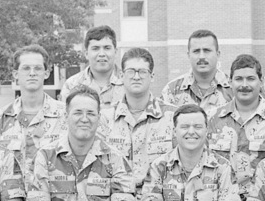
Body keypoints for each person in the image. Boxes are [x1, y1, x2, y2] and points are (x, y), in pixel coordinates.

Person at [101, 47, 173, 189]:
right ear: (121, 75)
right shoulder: (105, 118)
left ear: (152, 76)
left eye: (142, 72)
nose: (136, 76)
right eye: (130, 71)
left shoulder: (172, 117)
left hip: (159, 200)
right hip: (117, 200)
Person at [207, 54, 265, 189]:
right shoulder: (211, 118)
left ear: (261, 81)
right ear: (230, 81)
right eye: (239, 79)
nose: (244, 85)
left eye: (250, 79)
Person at [0, 46, 63, 173]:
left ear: (46, 73)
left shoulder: (65, 115)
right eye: (26, 68)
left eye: (38, 68)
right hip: (14, 192)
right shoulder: (0, 119)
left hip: (53, 191)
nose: (32, 73)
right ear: (15, 74)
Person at [162, 29, 231, 114]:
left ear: (218, 54)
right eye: (196, 51)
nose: (201, 56)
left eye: (207, 50)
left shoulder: (233, 89)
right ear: (188, 55)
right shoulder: (172, 90)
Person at [61, 25, 125, 111]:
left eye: (107, 48)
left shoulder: (129, 81)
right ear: (86, 53)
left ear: (115, 52)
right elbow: (64, 119)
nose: (101, 54)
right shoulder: (72, 85)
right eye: (95, 48)